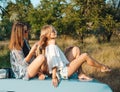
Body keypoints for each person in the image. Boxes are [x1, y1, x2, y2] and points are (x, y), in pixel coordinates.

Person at [38, 25, 111, 87]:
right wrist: (54, 77)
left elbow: (57, 58)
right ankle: (102, 67)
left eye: (54, 30)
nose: (54, 31)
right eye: (51, 31)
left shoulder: (51, 45)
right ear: (47, 35)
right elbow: (54, 63)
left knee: (75, 49)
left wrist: (65, 52)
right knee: (85, 56)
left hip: (62, 68)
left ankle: (80, 73)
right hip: (63, 72)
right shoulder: (52, 47)